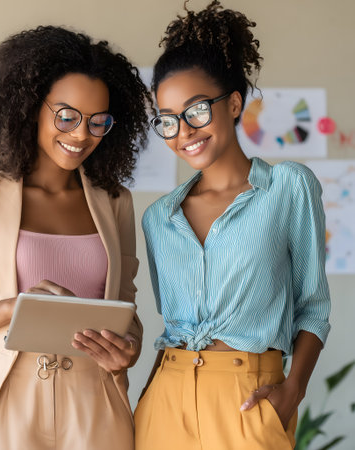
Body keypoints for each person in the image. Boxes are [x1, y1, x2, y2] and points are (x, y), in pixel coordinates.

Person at [0, 25, 151, 450]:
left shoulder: (115, 200)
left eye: (98, 121)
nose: (81, 134)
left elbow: (125, 310)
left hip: (94, 404)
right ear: (31, 108)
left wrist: (129, 349)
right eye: (66, 115)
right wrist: (18, 308)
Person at [134, 2, 331, 449]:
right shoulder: (158, 218)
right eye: (167, 120)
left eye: (196, 110)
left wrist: (291, 391)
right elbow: (172, 324)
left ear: (235, 103)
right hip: (166, 401)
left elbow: (314, 309)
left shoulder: (287, 187)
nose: (183, 131)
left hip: (249, 401)